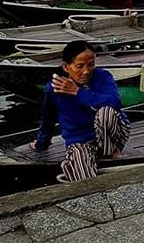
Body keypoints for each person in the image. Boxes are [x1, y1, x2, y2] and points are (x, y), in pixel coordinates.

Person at [31, 40, 131, 182]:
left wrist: (78, 92)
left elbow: (115, 103)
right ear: (66, 67)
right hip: (80, 140)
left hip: (113, 134)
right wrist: (41, 143)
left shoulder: (103, 76)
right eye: (80, 66)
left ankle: (109, 153)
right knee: (81, 170)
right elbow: (48, 119)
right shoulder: (54, 88)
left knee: (106, 112)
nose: (86, 71)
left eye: (91, 65)